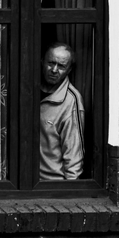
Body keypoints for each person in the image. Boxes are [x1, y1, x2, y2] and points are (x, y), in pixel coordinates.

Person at [40, 42, 85, 180]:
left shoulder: (71, 101)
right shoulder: (26, 89)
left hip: (51, 184)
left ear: (69, 70)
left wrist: (69, 195)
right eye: (51, 63)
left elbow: (74, 158)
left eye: (61, 66)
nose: (54, 70)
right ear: (42, 62)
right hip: (22, 183)